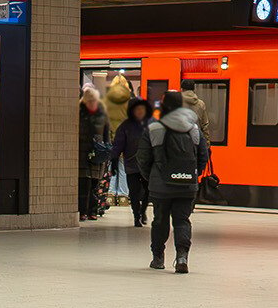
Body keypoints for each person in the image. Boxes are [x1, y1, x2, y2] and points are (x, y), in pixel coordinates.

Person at [137, 89, 208, 274]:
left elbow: (143, 158)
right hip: (187, 185)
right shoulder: (194, 129)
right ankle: (182, 257)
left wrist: (151, 177)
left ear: (164, 105)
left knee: (160, 221)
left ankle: (158, 258)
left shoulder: (154, 128)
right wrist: (193, 174)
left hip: (161, 186)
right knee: (182, 220)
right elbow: (203, 155)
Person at [110, 96, 153, 228]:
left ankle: (143, 210)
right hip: (131, 164)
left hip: (148, 164)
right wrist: (114, 161)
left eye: (142, 109)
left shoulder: (151, 124)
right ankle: (136, 215)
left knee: (148, 191)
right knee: (134, 192)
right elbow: (118, 145)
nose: (140, 112)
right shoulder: (125, 127)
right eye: (137, 109)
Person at [79, 86, 110, 222]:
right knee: (84, 185)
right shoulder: (79, 114)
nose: (92, 103)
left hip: (97, 154)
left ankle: (92, 211)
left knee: (94, 185)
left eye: (94, 101)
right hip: (82, 154)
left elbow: (107, 136)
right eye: (89, 101)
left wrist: (107, 152)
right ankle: (83, 211)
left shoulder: (102, 115)